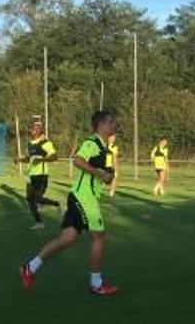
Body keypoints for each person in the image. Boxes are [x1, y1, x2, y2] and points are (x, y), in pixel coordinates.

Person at [20, 110, 120, 296]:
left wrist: (106, 175)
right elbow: (78, 160)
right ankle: (96, 283)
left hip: (79, 196)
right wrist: (99, 173)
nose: (114, 125)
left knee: (68, 238)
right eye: (111, 122)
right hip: (84, 197)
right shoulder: (92, 143)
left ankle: (30, 268)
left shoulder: (104, 147)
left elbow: (101, 174)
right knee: (99, 236)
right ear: (101, 125)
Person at [16, 121, 61, 229]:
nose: (31, 129)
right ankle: (39, 223)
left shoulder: (45, 143)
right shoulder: (30, 144)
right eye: (31, 128)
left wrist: (42, 159)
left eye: (35, 128)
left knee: (37, 199)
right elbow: (29, 159)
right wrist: (20, 160)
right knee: (30, 199)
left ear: (40, 131)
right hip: (31, 176)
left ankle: (56, 204)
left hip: (41, 176)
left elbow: (55, 156)